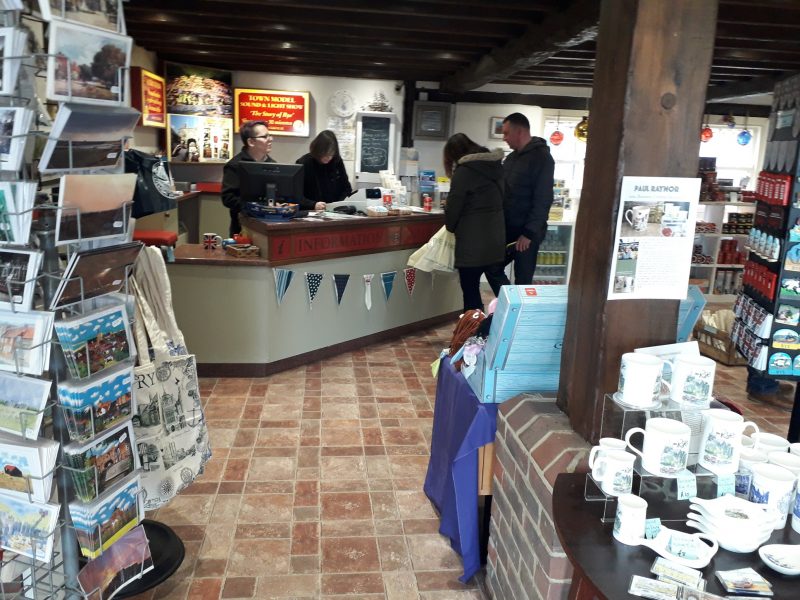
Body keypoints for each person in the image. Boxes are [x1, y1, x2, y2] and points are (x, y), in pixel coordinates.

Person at [485, 112, 555, 294]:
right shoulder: (511, 158)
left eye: (506, 133)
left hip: (527, 234)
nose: (504, 138)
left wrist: (528, 234)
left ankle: (518, 308)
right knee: (491, 267)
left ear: (520, 132)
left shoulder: (542, 158)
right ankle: (510, 303)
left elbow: (543, 199)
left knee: (523, 281)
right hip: (508, 230)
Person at [443, 133, 506, 312]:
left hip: (471, 244)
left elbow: (453, 210)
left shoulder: (463, 172)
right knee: (502, 288)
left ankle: (475, 328)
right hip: (495, 239)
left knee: (471, 291)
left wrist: (450, 224)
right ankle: (516, 322)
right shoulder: (496, 167)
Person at [221, 120, 275, 236]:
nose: (270, 139)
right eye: (265, 137)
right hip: (242, 229)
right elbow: (228, 198)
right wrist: (256, 207)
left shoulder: (273, 165)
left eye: (270, 135)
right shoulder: (235, 165)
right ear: (251, 142)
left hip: (270, 226)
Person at [295, 130, 351, 210]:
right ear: (317, 150)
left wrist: (339, 204)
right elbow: (296, 195)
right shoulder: (304, 163)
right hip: (311, 211)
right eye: (325, 154)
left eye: (331, 154)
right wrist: (313, 204)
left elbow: (346, 188)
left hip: (334, 211)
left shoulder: (336, 161)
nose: (328, 158)